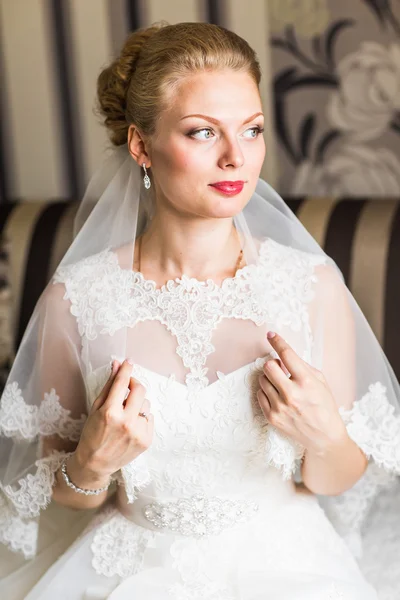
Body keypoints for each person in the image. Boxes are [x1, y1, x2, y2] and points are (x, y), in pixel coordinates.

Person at [0, 21, 399, 600]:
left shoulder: (310, 285)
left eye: (253, 129)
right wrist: (91, 461)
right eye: (202, 132)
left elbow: (337, 479)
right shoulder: (77, 300)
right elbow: (63, 489)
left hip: (286, 564)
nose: (237, 157)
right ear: (141, 144)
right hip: (128, 566)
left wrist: (324, 435)